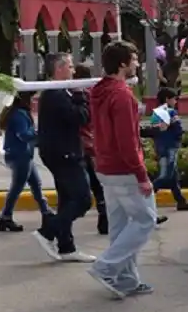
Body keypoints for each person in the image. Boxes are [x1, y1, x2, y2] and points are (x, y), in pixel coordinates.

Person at [88, 41, 157, 298]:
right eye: (134, 59)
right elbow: (127, 141)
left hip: (105, 167)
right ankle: (105, 267)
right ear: (122, 64)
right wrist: (141, 174)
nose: (137, 63)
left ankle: (126, 280)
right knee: (145, 220)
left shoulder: (100, 91)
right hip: (123, 170)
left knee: (120, 226)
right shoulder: (121, 94)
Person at [34, 53, 94, 263]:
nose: (73, 70)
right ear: (59, 69)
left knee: (67, 199)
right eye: (69, 66)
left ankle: (66, 246)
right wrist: (81, 96)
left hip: (61, 151)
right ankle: (47, 231)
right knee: (82, 199)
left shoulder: (57, 92)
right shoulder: (56, 94)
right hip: (64, 153)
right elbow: (81, 117)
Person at [0, 91, 51, 232]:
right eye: (33, 99)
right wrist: (41, 133)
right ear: (26, 99)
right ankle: (6, 217)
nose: (35, 102)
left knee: (35, 184)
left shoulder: (17, 112)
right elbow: (24, 135)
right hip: (20, 155)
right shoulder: (19, 114)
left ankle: (46, 213)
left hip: (21, 155)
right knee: (17, 187)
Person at [74, 64, 108, 235]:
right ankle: (104, 218)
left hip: (83, 143)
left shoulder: (78, 95)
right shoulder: (90, 94)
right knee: (97, 185)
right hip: (89, 143)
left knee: (91, 184)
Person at [146, 87, 188, 212]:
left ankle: (181, 201)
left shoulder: (156, 113)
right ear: (167, 99)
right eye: (174, 99)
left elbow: (155, 131)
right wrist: (179, 136)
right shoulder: (169, 112)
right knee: (166, 176)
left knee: (173, 176)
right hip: (169, 147)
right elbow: (178, 129)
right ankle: (145, 196)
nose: (176, 102)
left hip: (161, 146)